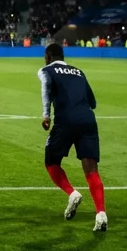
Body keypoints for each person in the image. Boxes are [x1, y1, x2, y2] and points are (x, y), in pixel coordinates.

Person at [38, 43, 108, 232]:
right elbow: (92, 102)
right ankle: (101, 213)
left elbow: (46, 91)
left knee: (51, 162)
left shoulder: (46, 70)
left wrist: (46, 115)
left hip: (65, 121)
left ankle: (72, 193)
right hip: (87, 120)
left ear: (48, 56)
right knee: (91, 169)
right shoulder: (79, 72)